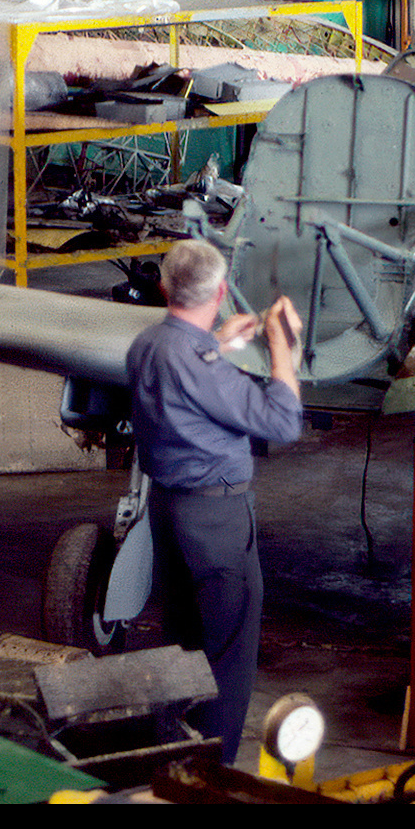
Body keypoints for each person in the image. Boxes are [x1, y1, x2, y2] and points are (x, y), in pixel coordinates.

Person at [126, 239, 302, 764]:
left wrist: (216, 345)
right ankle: (211, 775)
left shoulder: (145, 345)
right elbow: (284, 421)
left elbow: (184, 380)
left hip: (167, 510)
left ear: (163, 287)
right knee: (227, 653)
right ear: (222, 291)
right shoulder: (200, 365)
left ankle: (173, 758)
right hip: (216, 518)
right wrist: (279, 347)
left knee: (182, 638)